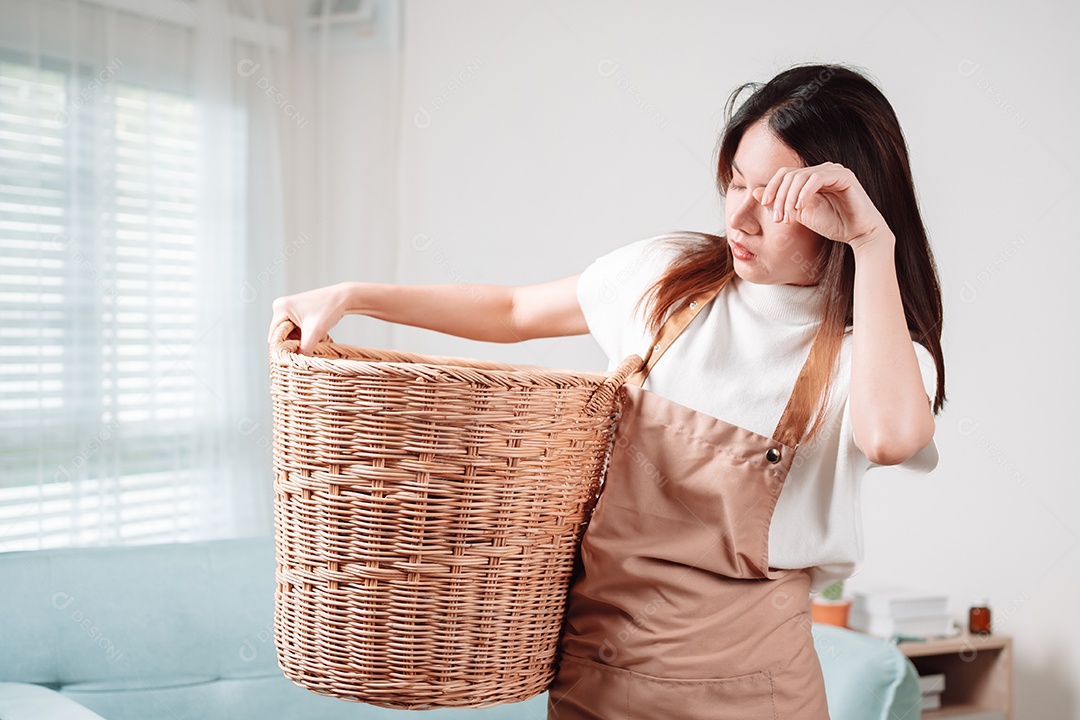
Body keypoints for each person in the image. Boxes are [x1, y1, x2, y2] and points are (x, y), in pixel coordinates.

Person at [269, 61, 945, 719]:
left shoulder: (876, 353)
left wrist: (871, 243)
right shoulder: (672, 279)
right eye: (736, 183)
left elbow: (891, 440)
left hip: (757, 696)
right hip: (602, 682)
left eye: (775, 199)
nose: (741, 218)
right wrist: (354, 296)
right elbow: (512, 311)